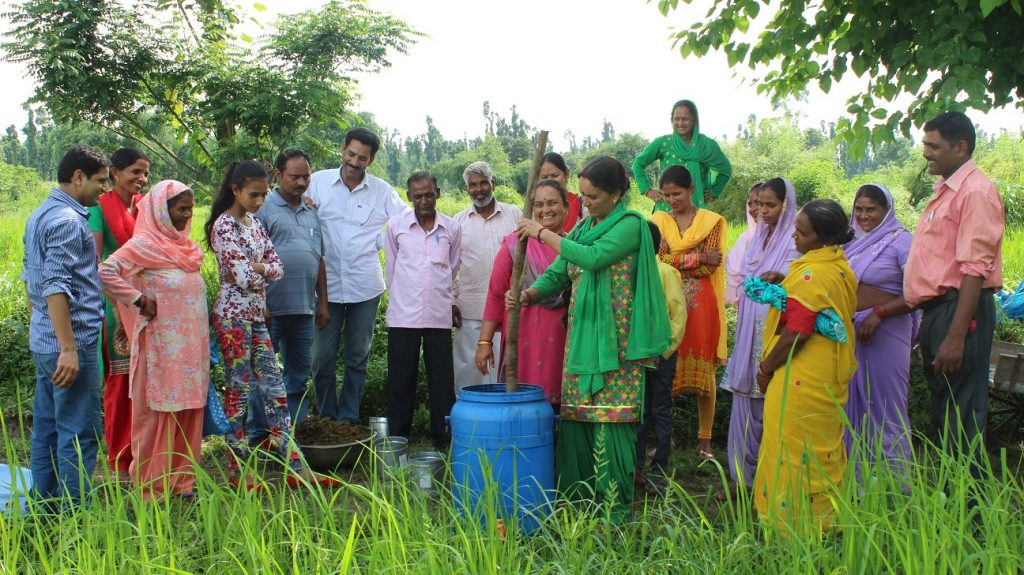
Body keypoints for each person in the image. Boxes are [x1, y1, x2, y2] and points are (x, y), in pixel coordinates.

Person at [515, 156, 671, 522]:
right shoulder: (585, 227)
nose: (585, 203)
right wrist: (530, 295)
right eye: (582, 197)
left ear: (617, 194)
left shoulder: (630, 225)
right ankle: (580, 503)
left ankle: (614, 509)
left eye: (593, 197)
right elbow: (558, 273)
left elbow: (593, 258)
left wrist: (542, 232)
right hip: (581, 340)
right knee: (578, 422)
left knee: (611, 424)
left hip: (616, 345)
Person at [206, 160, 335, 489]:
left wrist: (259, 268)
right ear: (235, 191)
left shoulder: (253, 223)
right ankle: (237, 470)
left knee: (275, 391)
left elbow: (277, 268)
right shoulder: (223, 227)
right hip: (233, 318)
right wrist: (260, 269)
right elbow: (244, 275)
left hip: (256, 316)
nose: (260, 202)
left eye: (264, 195)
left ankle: (296, 465)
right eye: (254, 195)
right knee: (238, 391)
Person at [904, 111, 1004, 477]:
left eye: (934, 146)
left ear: (960, 147)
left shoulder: (975, 192)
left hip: (961, 309)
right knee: (947, 413)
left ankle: (972, 517)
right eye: (925, 145)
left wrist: (956, 336)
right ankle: (955, 505)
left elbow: (974, 270)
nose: (926, 153)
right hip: (940, 311)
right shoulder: (948, 192)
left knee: (961, 415)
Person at [753, 199, 858, 534]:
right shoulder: (836, 264)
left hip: (802, 374)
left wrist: (766, 368)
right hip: (826, 373)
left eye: (802, 232)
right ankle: (825, 521)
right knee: (819, 445)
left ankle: (791, 527)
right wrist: (785, 282)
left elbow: (798, 330)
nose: (794, 237)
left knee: (793, 448)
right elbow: (814, 303)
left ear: (823, 239)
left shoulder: (813, 272)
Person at [98, 180, 208, 500]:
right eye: (180, 208)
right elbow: (106, 272)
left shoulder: (186, 248)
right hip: (160, 347)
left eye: (190, 208)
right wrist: (138, 300)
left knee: (188, 410)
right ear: (161, 209)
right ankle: (151, 486)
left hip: (190, 349)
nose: (187, 215)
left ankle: (182, 483)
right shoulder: (144, 244)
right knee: (159, 413)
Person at [22, 144, 109, 507]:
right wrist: (69, 348)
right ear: (78, 178)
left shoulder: (39, 214)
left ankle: (42, 509)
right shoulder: (70, 222)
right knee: (79, 433)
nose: (103, 189)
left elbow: (32, 283)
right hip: (71, 344)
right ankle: (74, 519)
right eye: (100, 181)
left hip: (45, 341)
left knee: (47, 428)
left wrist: (45, 327)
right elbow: (56, 286)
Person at [307, 127, 408, 424]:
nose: (354, 161)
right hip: (324, 289)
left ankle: (348, 420)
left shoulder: (383, 191)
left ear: (371, 159)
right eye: (351, 154)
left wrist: (379, 242)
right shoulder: (318, 183)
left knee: (357, 357)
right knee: (320, 359)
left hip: (365, 286)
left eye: (362, 158)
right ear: (343, 150)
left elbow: (404, 223)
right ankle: (327, 417)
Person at [721, 177, 798, 489]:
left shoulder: (795, 241)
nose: (762, 211)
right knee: (745, 400)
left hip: (774, 329)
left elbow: (800, 289)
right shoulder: (755, 239)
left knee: (773, 399)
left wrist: (780, 280)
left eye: (770, 205)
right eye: (759, 204)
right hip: (748, 324)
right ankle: (741, 479)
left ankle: (771, 480)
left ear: (785, 205)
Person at [247, 149, 327, 441]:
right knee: (263, 376)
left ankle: (293, 434)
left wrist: (323, 303)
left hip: (304, 308)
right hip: (270, 310)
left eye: (306, 176)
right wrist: (260, 302)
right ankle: (259, 436)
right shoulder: (263, 210)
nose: (301, 182)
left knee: (298, 376)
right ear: (278, 175)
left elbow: (319, 259)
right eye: (294, 176)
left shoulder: (311, 212)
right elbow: (251, 260)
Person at [650, 165, 728, 460]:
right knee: (666, 369)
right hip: (668, 300)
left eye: (677, 194)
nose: (672, 200)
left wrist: (677, 258)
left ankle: (705, 441)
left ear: (692, 190)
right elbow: (657, 256)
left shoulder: (712, 222)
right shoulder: (658, 220)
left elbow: (712, 264)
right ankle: (663, 439)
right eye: (667, 194)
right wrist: (696, 256)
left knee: (704, 376)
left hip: (701, 305)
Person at [842, 184, 915, 479]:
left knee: (886, 405)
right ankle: (857, 482)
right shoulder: (849, 242)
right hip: (851, 334)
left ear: (886, 210)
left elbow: (916, 293)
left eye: (871, 209)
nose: (863, 215)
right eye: (858, 209)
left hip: (887, 333)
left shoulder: (901, 241)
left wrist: (879, 314)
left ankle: (896, 486)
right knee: (850, 404)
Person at [384, 171, 461, 447]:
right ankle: (398, 437)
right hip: (403, 315)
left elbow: (452, 269)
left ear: (437, 193)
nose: (425, 200)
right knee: (401, 379)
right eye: (418, 196)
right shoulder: (396, 227)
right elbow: (391, 270)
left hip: (438, 315)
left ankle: (444, 436)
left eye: (429, 194)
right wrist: (402, 300)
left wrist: (446, 300)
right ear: (409, 197)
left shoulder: (451, 228)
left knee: (442, 380)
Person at [477, 179, 570, 405]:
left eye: (552, 203)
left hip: (566, 339)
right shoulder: (515, 244)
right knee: (524, 404)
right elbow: (496, 294)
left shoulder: (576, 247)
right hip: (525, 338)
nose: (545, 210)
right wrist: (484, 343)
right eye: (538, 205)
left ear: (566, 206)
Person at [88, 147, 150, 478]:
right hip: (115, 306)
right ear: (116, 173)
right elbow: (96, 262)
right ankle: (120, 462)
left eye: (144, 173)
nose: (141, 179)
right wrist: (119, 300)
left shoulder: (144, 207)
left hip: (146, 303)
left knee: (144, 382)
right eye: (134, 172)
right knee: (121, 380)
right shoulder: (100, 207)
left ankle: (145, 454)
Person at [453, 161, 522, 389]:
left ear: (493, 184)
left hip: (510, 309)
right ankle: (472, 422)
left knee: (508, 373)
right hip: (472, 310)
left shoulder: (514, 214)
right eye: (473, 185)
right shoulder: (458, 222)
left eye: (484, 183)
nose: (479, 189)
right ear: (467, 189)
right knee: (472, 374)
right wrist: (452, 302)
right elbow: (449, 268)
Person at [635, 221, 687, 493]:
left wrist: (665, 351)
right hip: (636, 356)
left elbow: (678, 316)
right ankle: (636, 468)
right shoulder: (630, 273)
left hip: (661, 355)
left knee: (660, 410)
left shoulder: (666, 273)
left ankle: (659, 470)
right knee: (639, 412)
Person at [632, 99, 732, 212]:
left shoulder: (707, 146)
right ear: (672, 120)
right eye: (676, 119)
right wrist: (647, 190)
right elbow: (638, 164)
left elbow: (725, 169)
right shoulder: (663, 143)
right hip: (666, 210)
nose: (680, 124)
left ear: (694, 120)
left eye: (685, 119)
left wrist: (713, 192)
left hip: (696, 211)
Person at [725, 182, 762, 304]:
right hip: (747, 300)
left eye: (758, 203)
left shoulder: (785, 239)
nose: (753, 208)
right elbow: (733, 267)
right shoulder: (747, 237)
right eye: (750, 204)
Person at [538, 152, 585, 233]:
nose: (550, 181)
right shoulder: (536, 210)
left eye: (555, 175)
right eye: (544, 178)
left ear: (566, 174)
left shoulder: (583, 203)